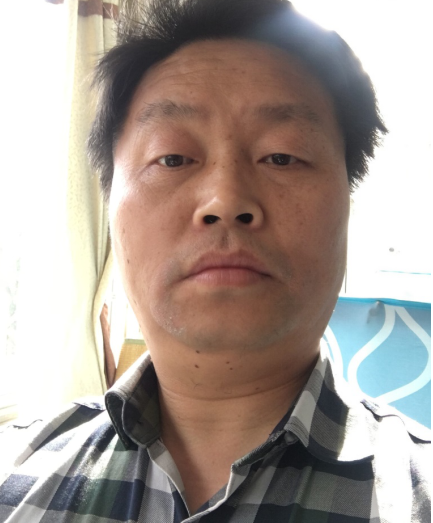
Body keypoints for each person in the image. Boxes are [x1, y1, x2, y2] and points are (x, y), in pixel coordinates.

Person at [0, 0, 430, 521]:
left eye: (282, 156)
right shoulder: (15, 470)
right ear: (110, 204)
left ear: (347, 202)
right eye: (173, 158)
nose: (225, 200)